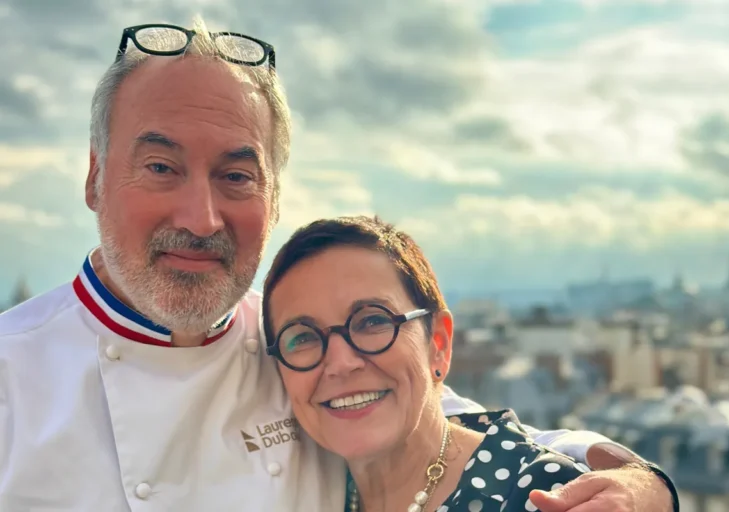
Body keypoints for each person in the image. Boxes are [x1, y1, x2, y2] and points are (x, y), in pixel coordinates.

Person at [0, 16, 678, 512]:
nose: (201, 218)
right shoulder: (11, 379)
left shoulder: (295, 345)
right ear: (93, 178)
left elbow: (452, 429)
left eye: (237, 177)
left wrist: (643, 485)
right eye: (159, 166)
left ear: (272, 197)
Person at [262, 215, 588, 511]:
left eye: (372, 321)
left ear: (438, 344)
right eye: (302, 337)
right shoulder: (311, 493)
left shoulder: (547, 496)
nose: (341, 362)